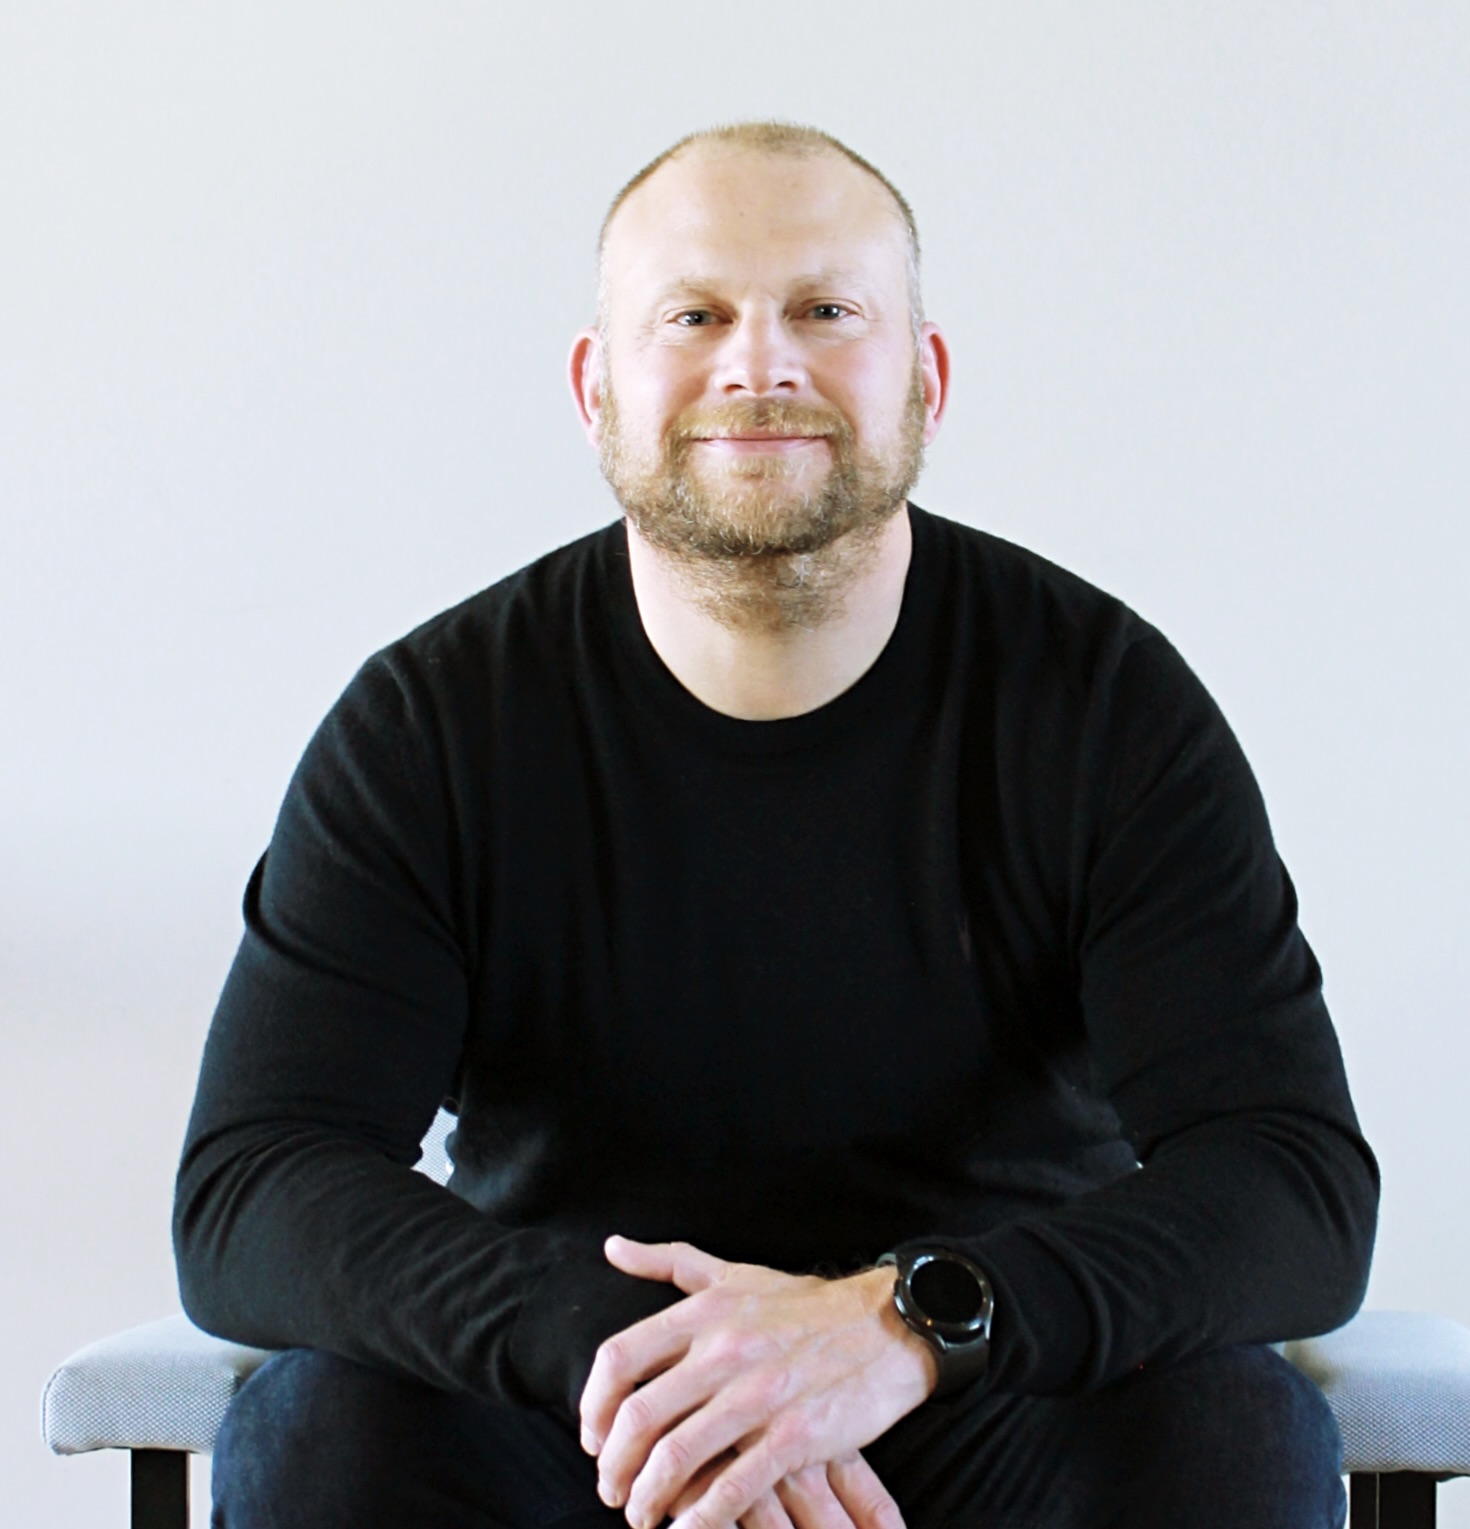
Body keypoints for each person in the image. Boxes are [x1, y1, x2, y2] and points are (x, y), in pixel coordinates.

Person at [175, 121, 1378, 1529]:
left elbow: (1289, 1178)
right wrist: (674, 1363)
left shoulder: (1103, 705)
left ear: (925, 379)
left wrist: (903, 1323)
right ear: (595, 388)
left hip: (984, 1381)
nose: (760, 366)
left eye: (826, 311)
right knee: (325, 1431)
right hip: (586, 1406)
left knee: (1228, 1426)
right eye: (693, 316)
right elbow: (254, 1183)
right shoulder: (429, 726)